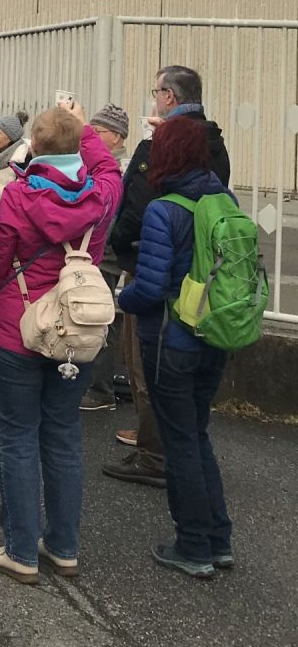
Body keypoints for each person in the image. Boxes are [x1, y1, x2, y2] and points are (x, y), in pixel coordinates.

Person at [0, 104, 123, 583]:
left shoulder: (18, 195)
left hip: (18, 327)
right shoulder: (100, 196)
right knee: (62, 438)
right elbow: (107, 171)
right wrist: (85, 132)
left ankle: (20, 549)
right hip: (77, 328)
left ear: (32, 146)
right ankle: (63, 547)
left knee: (17, 439)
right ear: (80, 146)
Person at [116, 116, 235, 579]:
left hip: (171, 339)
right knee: (198, 433)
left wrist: (119, 299)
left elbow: (149, 287)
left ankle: (193, 546)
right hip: (215, 332)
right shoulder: (223, 197)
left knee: (180, 440)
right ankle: (218, 539)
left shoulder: (164, 209)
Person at [103, 65, 230, 490]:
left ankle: (155, 456)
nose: (154, 98)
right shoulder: (214, 143)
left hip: (152, 267)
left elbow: (134, 209)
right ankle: (167, 450)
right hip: (201, 282)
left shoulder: (160, 145)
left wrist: (123, 253)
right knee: (188, 395)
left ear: (170, 97)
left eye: (157, 91)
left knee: (146, 367)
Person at [80, 104, 132, 413]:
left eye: (97, 131)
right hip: (99, 249)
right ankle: (96, 383)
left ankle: (101, 388)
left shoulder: (119, 169)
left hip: (106, 251)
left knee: (99, 316)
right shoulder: (102, 164)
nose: (92, 137)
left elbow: (108, 214)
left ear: (115, 136)